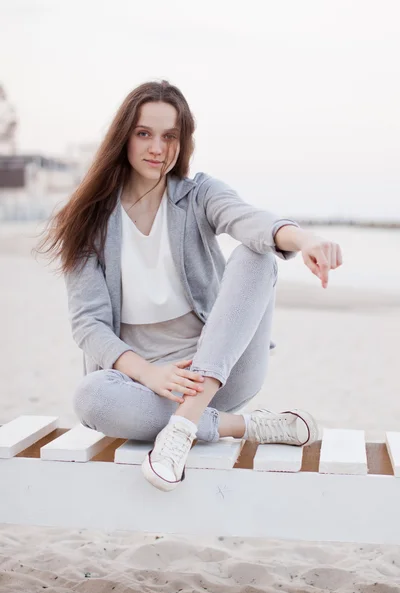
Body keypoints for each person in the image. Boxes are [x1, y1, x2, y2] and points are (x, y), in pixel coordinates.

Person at [37, 80, 342, 492]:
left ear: (184, 143)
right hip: (144, 388)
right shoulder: (87, 220)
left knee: (256, 254)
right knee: (91, 397)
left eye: (170, 136)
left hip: (219, 370)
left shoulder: (198, 194)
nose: (157, 148)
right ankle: (242, 426)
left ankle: (183, 426)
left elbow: (247, 219)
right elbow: (88, 326)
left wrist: (304, 240)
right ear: (122, 137)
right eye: (144, 133)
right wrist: (148, 374)